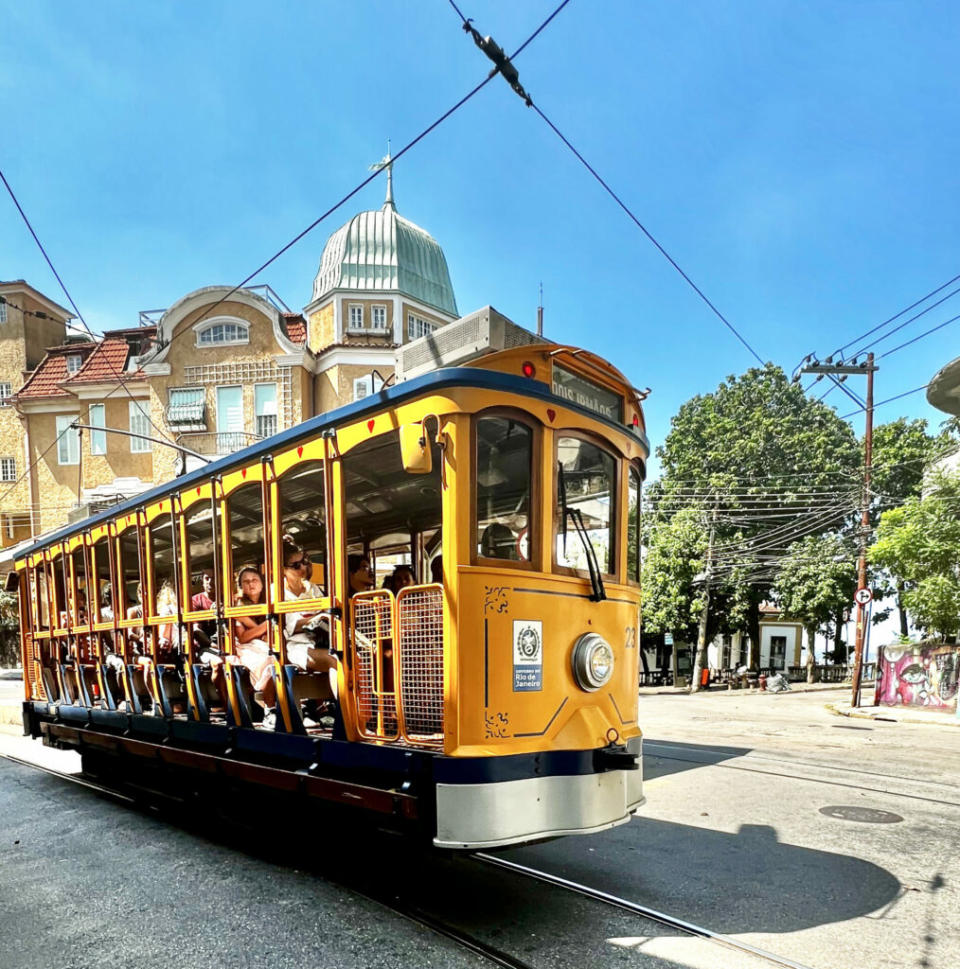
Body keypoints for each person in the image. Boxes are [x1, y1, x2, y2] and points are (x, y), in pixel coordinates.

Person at [282, 540, 338, 707]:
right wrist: (316, 618)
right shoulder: (276, 590)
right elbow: (292, 626)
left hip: (321, 640)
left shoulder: (312, 588)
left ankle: (368, 714)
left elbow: (326, 611)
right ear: (283, 569)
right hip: (298, 646)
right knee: (334, 660)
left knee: (356, 657)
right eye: (296, 565)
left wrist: (321, 617)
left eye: (304, 563)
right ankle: (346, 715)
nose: (302, 568)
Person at [233, 566, 277, 725]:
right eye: (246, 582)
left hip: (267, 643)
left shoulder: (271, 601)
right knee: (267, 659)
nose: (251, 584)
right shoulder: (239, 604)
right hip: (247, 647)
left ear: (262, 583)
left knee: (278, 655)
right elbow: (243, 637)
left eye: (254, 580)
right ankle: (269, 709)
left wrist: (260, 628)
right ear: (241, 586)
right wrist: (266, 626)